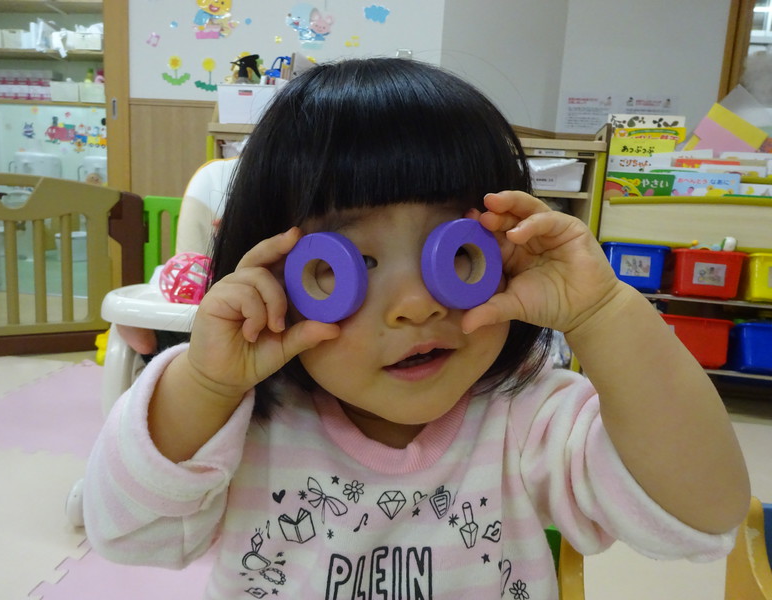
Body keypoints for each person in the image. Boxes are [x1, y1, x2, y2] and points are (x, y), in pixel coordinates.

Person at [83, 58, 749, 599]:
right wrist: (206, 385)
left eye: (456, 254)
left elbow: (701, 513)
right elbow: (124, 531)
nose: (416, 305)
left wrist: (603, 313)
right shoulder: (248, 423)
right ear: (273, 283)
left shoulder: (526, 416)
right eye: (342, 266)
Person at [115, 156, 240, 358]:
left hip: (237, 319)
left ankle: (156, 343)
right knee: (169, 310)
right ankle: (152, 339)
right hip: (203, 306)